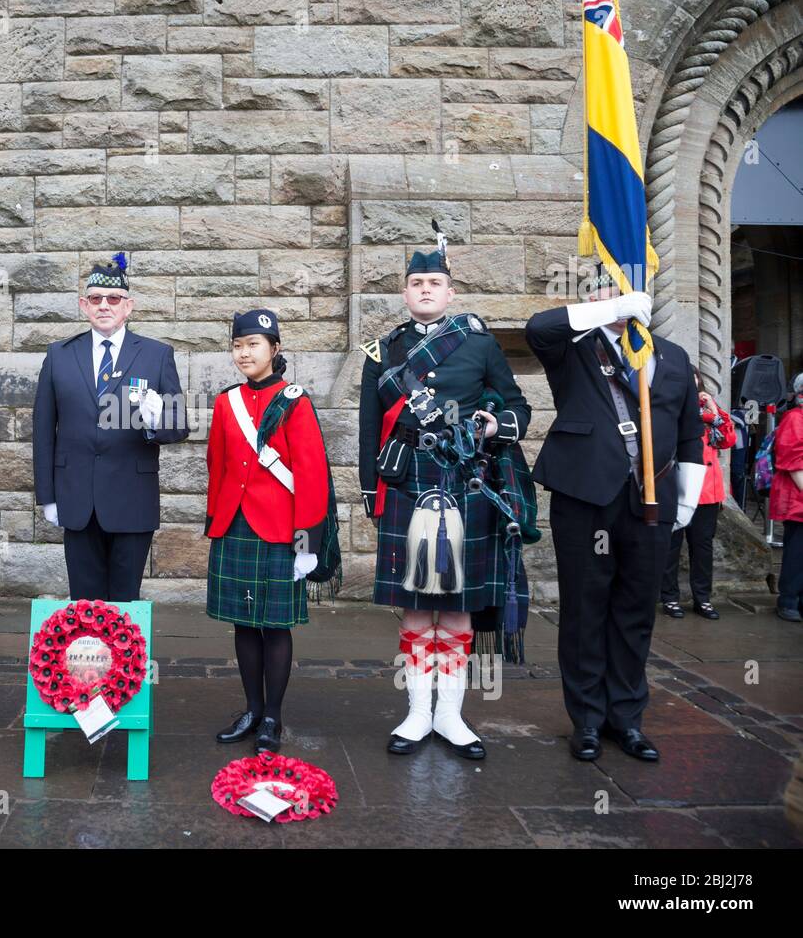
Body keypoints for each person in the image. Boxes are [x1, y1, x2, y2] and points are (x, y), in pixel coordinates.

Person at [358, 236, 531, 761]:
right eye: (416, 283)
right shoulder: (383, 349)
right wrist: (373, 489)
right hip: (409, 480)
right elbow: (369, 426)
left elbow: (519, 408)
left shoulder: (479, 344)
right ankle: (415, 714)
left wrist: (494, 425)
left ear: (450, 292)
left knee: (457, 610)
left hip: (465, 481)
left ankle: (451, 715)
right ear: (405, 293)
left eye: (434, 283)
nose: (425, 290)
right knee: (413, 607)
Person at [526, 262, 704, 763]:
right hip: (586, 496)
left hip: (653, 499)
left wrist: (687, 496)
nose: (618, 295)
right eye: (608, 288)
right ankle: (585, 718)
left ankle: (625, 718)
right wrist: (609, 310)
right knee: (585, 608)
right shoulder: (575, 347)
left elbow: (690, 432)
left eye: (626, 289)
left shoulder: (670, 356)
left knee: (635, 611)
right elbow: (539, 327)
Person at [206, 310, 331, 754]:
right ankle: (251, 709)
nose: (244, 352)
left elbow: (312, 473)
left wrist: (307, 544)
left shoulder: (294, 400)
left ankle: (273, 717)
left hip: (280, 530)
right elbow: (217, 467)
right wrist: (215, 521)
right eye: (238, 345)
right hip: (235, 525)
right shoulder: (226, 402)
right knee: (243, 623)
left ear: (275, 350)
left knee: (276, 627)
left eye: (254, 344)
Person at [31, 252, 189, 602]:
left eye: (113, 299)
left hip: (131, 499)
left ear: (128, 306)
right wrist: (48, 495)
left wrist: (154, 421)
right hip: (76, 499)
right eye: (96, 299)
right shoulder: (58, 355)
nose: (105, 305)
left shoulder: (156, 355)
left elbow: (178, 424)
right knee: (84, 604)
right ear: (83, 305)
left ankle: (126, 661)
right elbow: (43, 430)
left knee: (124, 604)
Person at [661, 371, 735, 620]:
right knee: (671, 547)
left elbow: (728, 439)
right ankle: (669, 598)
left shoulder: (710, 416)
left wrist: (712, 407)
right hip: (679, 488)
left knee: (702, 548)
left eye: (696, 387)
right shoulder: (671, 411)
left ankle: (702, 599)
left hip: (707, 492)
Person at [769, 372, 803, 623]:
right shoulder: (794, 418)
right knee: (797, 552)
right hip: (798, 495)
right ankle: (788, 600)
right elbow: (793, 461)